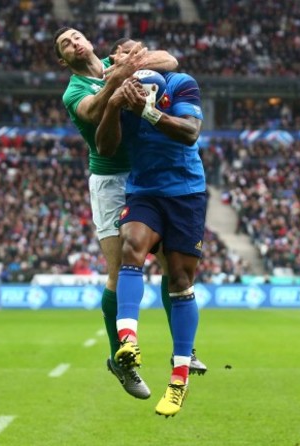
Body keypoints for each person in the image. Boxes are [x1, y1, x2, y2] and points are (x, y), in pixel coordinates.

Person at [53, 27, 206, 401]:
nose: (74, 42)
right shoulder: (74, 91)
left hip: (148, 171)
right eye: (65, 44)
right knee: (120, 269)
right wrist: (117, 84)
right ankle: (120, 357)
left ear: (88, 41)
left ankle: (184, 347)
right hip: (110, 178)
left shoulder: (111, 63)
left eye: (76, 36)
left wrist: (123, 67)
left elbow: (168, 60)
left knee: (175, 268)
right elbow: (91, 113)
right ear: (64, 60)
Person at [95, 41, 207, 417]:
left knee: (179, 280)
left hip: (185, 192)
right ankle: (128, 340)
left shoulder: (181, 83)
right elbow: (107, 148)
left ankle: (178, 380)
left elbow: (190, 132)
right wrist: (114, 106)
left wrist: (148, 112)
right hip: (143, 190)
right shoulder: (118, 94)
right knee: (132, 246)